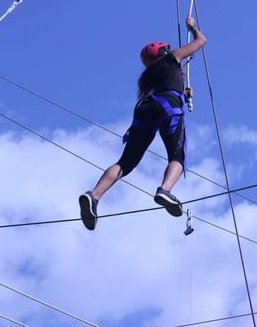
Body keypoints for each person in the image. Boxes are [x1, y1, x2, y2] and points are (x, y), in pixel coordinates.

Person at [78, 17, 207, 231]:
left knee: (126, 162)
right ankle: (165, 190)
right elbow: (201, 41)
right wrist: (192, 27)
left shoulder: (148, 78)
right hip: (168, 107)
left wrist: (183, 93)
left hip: (144, 109)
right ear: (165, 53)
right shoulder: (173, 58)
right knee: (177, 156)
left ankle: (94, 196)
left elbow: (166, 87)